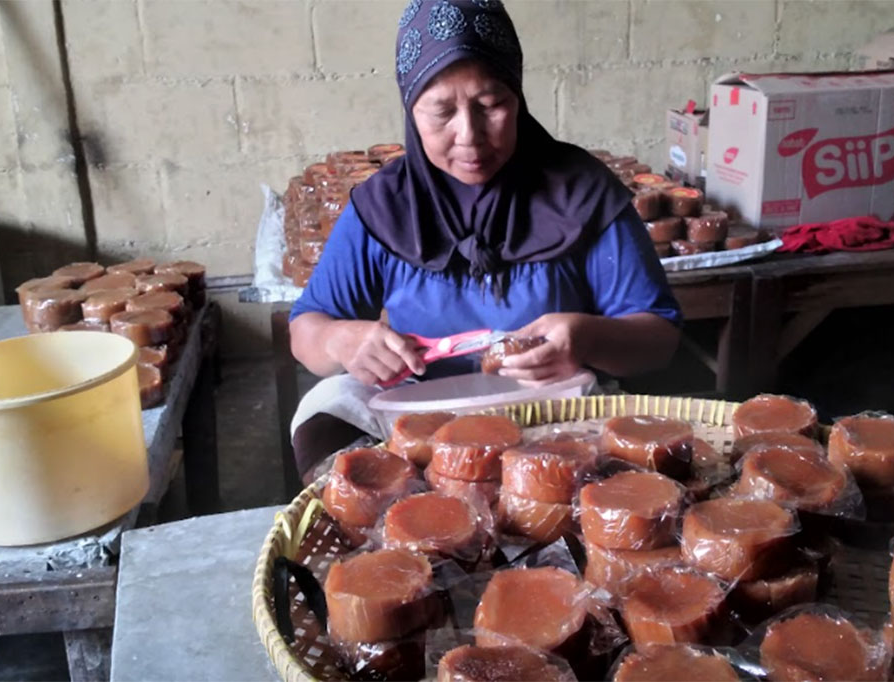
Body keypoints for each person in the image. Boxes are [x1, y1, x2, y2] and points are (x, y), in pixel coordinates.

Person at [288, 0, 681, 483]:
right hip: (422, 436)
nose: (469, 135)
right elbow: (305, 330)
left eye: (490, 105)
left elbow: (659, 339)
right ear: (411, 110)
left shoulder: (579, 192)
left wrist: (586, 336)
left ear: (517, 97)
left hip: (561, 432)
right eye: (441, 111)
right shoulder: (386, 207)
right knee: (325, 405)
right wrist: (339, 338)